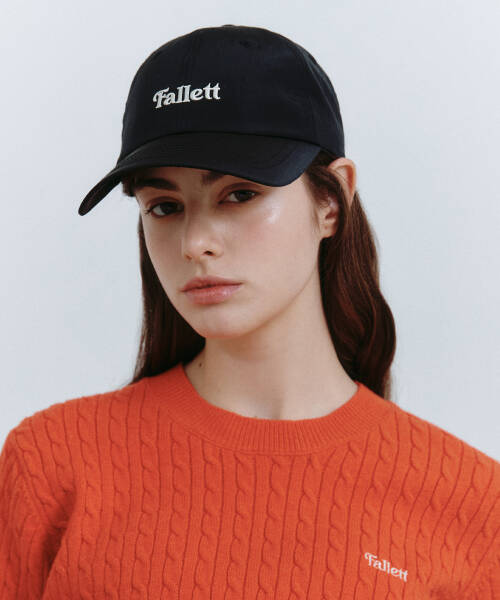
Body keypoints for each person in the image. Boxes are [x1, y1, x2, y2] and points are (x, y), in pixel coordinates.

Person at [0, 24, 498, 599]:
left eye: (240, 195)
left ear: (332, 201)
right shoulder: (51, 463)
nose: (195, 243)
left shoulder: (474, 505)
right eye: (164, 206)